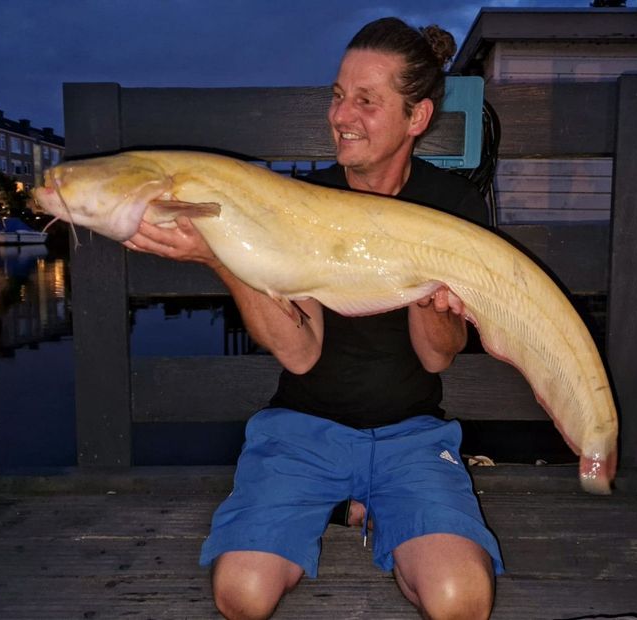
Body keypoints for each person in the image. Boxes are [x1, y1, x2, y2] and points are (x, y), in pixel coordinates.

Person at [122, 17, 503, 620]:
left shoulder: (450, 208)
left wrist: (420, 278)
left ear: (417, 118)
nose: (341, 115)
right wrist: (221, 257)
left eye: (366, 101)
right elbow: (300, 352)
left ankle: (377, 511)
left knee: (462, 601)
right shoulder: (300, 203)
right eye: (337, 95)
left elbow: (437, 356)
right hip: (303, 430)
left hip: (411, 434)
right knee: (241, 595)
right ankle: (342, 502)